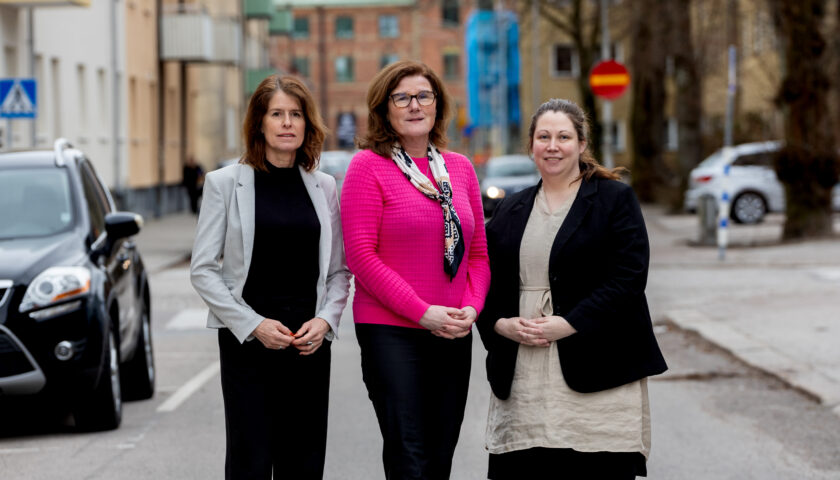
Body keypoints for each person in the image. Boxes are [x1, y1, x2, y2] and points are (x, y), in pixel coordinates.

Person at [476, 98, 668, 479]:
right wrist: (499, 324)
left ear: (582, 144)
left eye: (563, 136)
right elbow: (486, 283)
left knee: (595, 467)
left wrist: (570, 323)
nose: (552, 146)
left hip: (599, 363)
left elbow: (629, 277)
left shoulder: (614, 199)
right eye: (543, 136)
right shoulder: (510, 209)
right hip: (525, 369)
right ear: (530, 145)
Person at [190, 75, 351, 480]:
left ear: (307, 123)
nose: (287, 123)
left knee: (304, 462)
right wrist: (253, 325)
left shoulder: (324, 186)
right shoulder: (224, 184)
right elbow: (203, 270)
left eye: (295, 114)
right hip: (248, 344)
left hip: (308, 346)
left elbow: (338, 271)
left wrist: (326, 321)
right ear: (259, 122)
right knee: (251, 462)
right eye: (276, 113)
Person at [340, 60, 490, 479]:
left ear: (438, 105)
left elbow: (478, 254)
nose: (414, 105)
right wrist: (423, 312)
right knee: (410, 454)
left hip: (453, 330)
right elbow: (361, 257)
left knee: (441, 454)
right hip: (392, 331)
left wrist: (472, 309)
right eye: (401, 97)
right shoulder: (368, 167)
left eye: (424, 95)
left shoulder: (459, 168)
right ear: (384, 108)